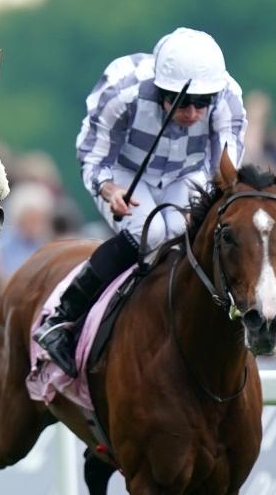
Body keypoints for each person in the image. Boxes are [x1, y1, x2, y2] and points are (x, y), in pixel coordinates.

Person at [35, 27, 248, 377]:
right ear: (160, 89)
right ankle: (61, 318)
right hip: (124, 171)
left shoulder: (228, 99)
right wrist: (109, 190)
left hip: (186, 174)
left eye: (202, 103)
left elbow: (225, 170)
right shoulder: (122, 90)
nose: (193, 112)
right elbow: (93, 155)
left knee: (182, 232)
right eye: (182, 102)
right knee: (150, 234)